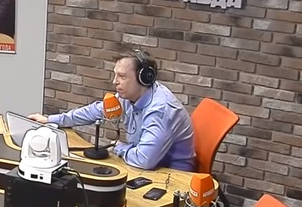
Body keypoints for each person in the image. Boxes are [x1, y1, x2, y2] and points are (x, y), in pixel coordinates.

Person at [28, 49, 196, 171]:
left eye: (122, 76)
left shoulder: (160, 111)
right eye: (115, 75)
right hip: (147, 167)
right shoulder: (127, 96)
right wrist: (50, 120)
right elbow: (94, 111)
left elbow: (144, 160)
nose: (114, 81)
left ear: (144, 78)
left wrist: (118, 147)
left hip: (172, 177)